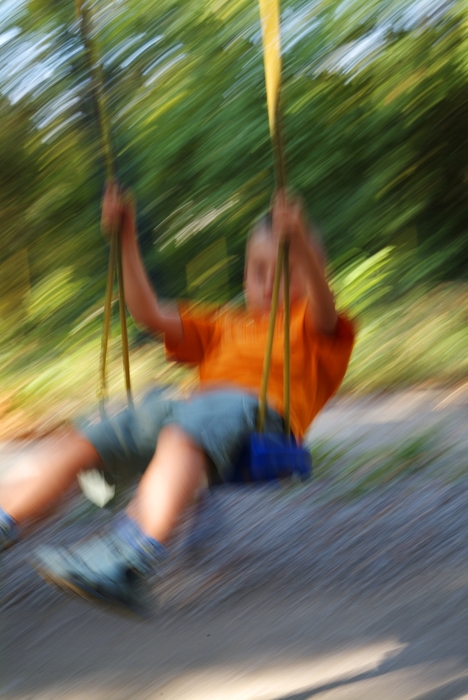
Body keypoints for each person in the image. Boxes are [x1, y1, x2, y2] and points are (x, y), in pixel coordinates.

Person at [0, 184, 355, 613]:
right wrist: (125, 238)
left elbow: (323, 304)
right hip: (195, 414)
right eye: (255, 268)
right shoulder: (225, 323)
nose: (264, 281)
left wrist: (297, 239)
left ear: (313, 271)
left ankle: (131, 554)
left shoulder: (315, 327)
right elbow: (149, 313)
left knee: (189, 424)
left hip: (259, 418)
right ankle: (8, 516)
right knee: (98, 432)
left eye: (282, 269)